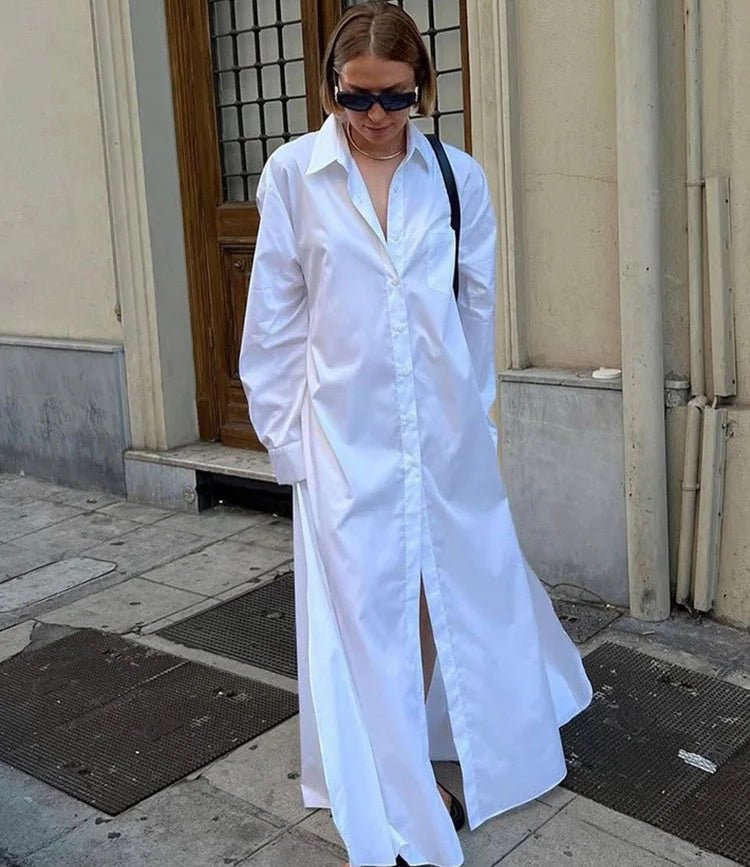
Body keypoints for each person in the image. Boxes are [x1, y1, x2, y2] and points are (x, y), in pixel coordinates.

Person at [239, 3, 592, 865]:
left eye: (394, 99)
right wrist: (292, 448)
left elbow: (475, 312)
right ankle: (393, 783)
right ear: (330, 87)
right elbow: (273, 326)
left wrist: (475, 421)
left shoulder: (457, 179)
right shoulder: (293, 177)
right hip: (343, 439)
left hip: (442, 435)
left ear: (422, 89)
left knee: (445, 591)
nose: (372, 117)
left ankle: (437, 738)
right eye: (354, 97)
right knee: (365, 612)